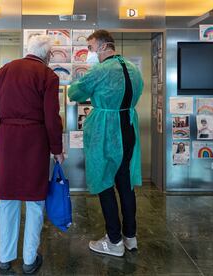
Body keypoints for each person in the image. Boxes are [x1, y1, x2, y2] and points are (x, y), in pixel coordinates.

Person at [0, 35, 64, 273]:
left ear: (28, 50)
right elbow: (51, 118)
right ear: (47, 55)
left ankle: (4, 257)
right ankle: (29, 260)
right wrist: (57, 150)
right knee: (35, 202)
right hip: (35, 143)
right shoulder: (48, 76)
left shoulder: (5, 71)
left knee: (7, 200)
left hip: (7, 141)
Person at [68, 30, 144, 257]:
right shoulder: (133, 68)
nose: (89, 53)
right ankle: (130, 236)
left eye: (90, 48)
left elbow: (74, 92)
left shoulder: (100, 70)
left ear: (102, 47)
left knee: (104, 182)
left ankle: (113, 241)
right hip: (128, 127)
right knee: (125, 183)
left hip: (106, 130)